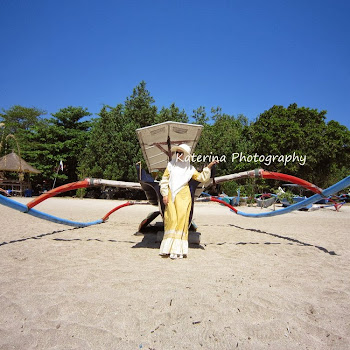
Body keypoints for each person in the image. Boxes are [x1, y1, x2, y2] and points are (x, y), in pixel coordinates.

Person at [159, 143, 218, 259]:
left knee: (181, 220)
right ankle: (168, 249)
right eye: (177, 152)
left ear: (186, 155)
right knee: (171, 219)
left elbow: (202, 178)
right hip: (171, 195)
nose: (178, 154)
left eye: (181, 153)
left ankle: (178, 251)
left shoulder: (190, 169)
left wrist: (209, 166)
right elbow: (165, 179)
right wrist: (164, 194)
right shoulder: (171, 165)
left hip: (184, 196)